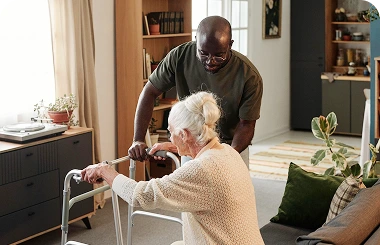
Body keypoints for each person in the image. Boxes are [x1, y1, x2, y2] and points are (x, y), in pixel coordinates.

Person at [81, 91, 264, 244]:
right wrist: (180, 148)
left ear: (184, 135)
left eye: (170, 132)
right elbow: (203, 153)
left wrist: (104, 170)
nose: (169, 138)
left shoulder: (201, 170)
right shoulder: (228, 151)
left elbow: (141, 195)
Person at [128, 16, 263, 167]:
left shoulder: (249, 76)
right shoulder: (179, 57)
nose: (210, 61)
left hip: (232, 148)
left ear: (230, 45)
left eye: (219, 56)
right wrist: (138, 139)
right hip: (192, 146)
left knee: (234, 190)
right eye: (203, 53)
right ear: (196, 40)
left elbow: (247, 124)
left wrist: (226, 156)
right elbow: (149, 92)